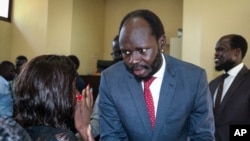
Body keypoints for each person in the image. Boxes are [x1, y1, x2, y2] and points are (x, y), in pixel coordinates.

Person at [99, 9, 215, 141]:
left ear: (161, 43)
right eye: (126, 52)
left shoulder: (194, 79)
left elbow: (202, 136)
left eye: (141, 50)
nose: (133, 60)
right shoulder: (111, 79)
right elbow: (112, 136)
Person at [13, 55, 94, 141]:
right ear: (58, 94)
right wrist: (84, 129)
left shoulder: (13, 130)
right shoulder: (62, 137)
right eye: (73, 88)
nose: (78, 94)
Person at [209, 34, 250, 141]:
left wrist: (228, 135)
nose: (216, 54)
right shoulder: (213, 84)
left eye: (220, 49)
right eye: (216, 50)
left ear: (236, 53)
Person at [89, 34, 123, 139]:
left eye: (122, 52)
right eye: (115, 53)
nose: (118, 57)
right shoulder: (109, 81)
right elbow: (98, 122)